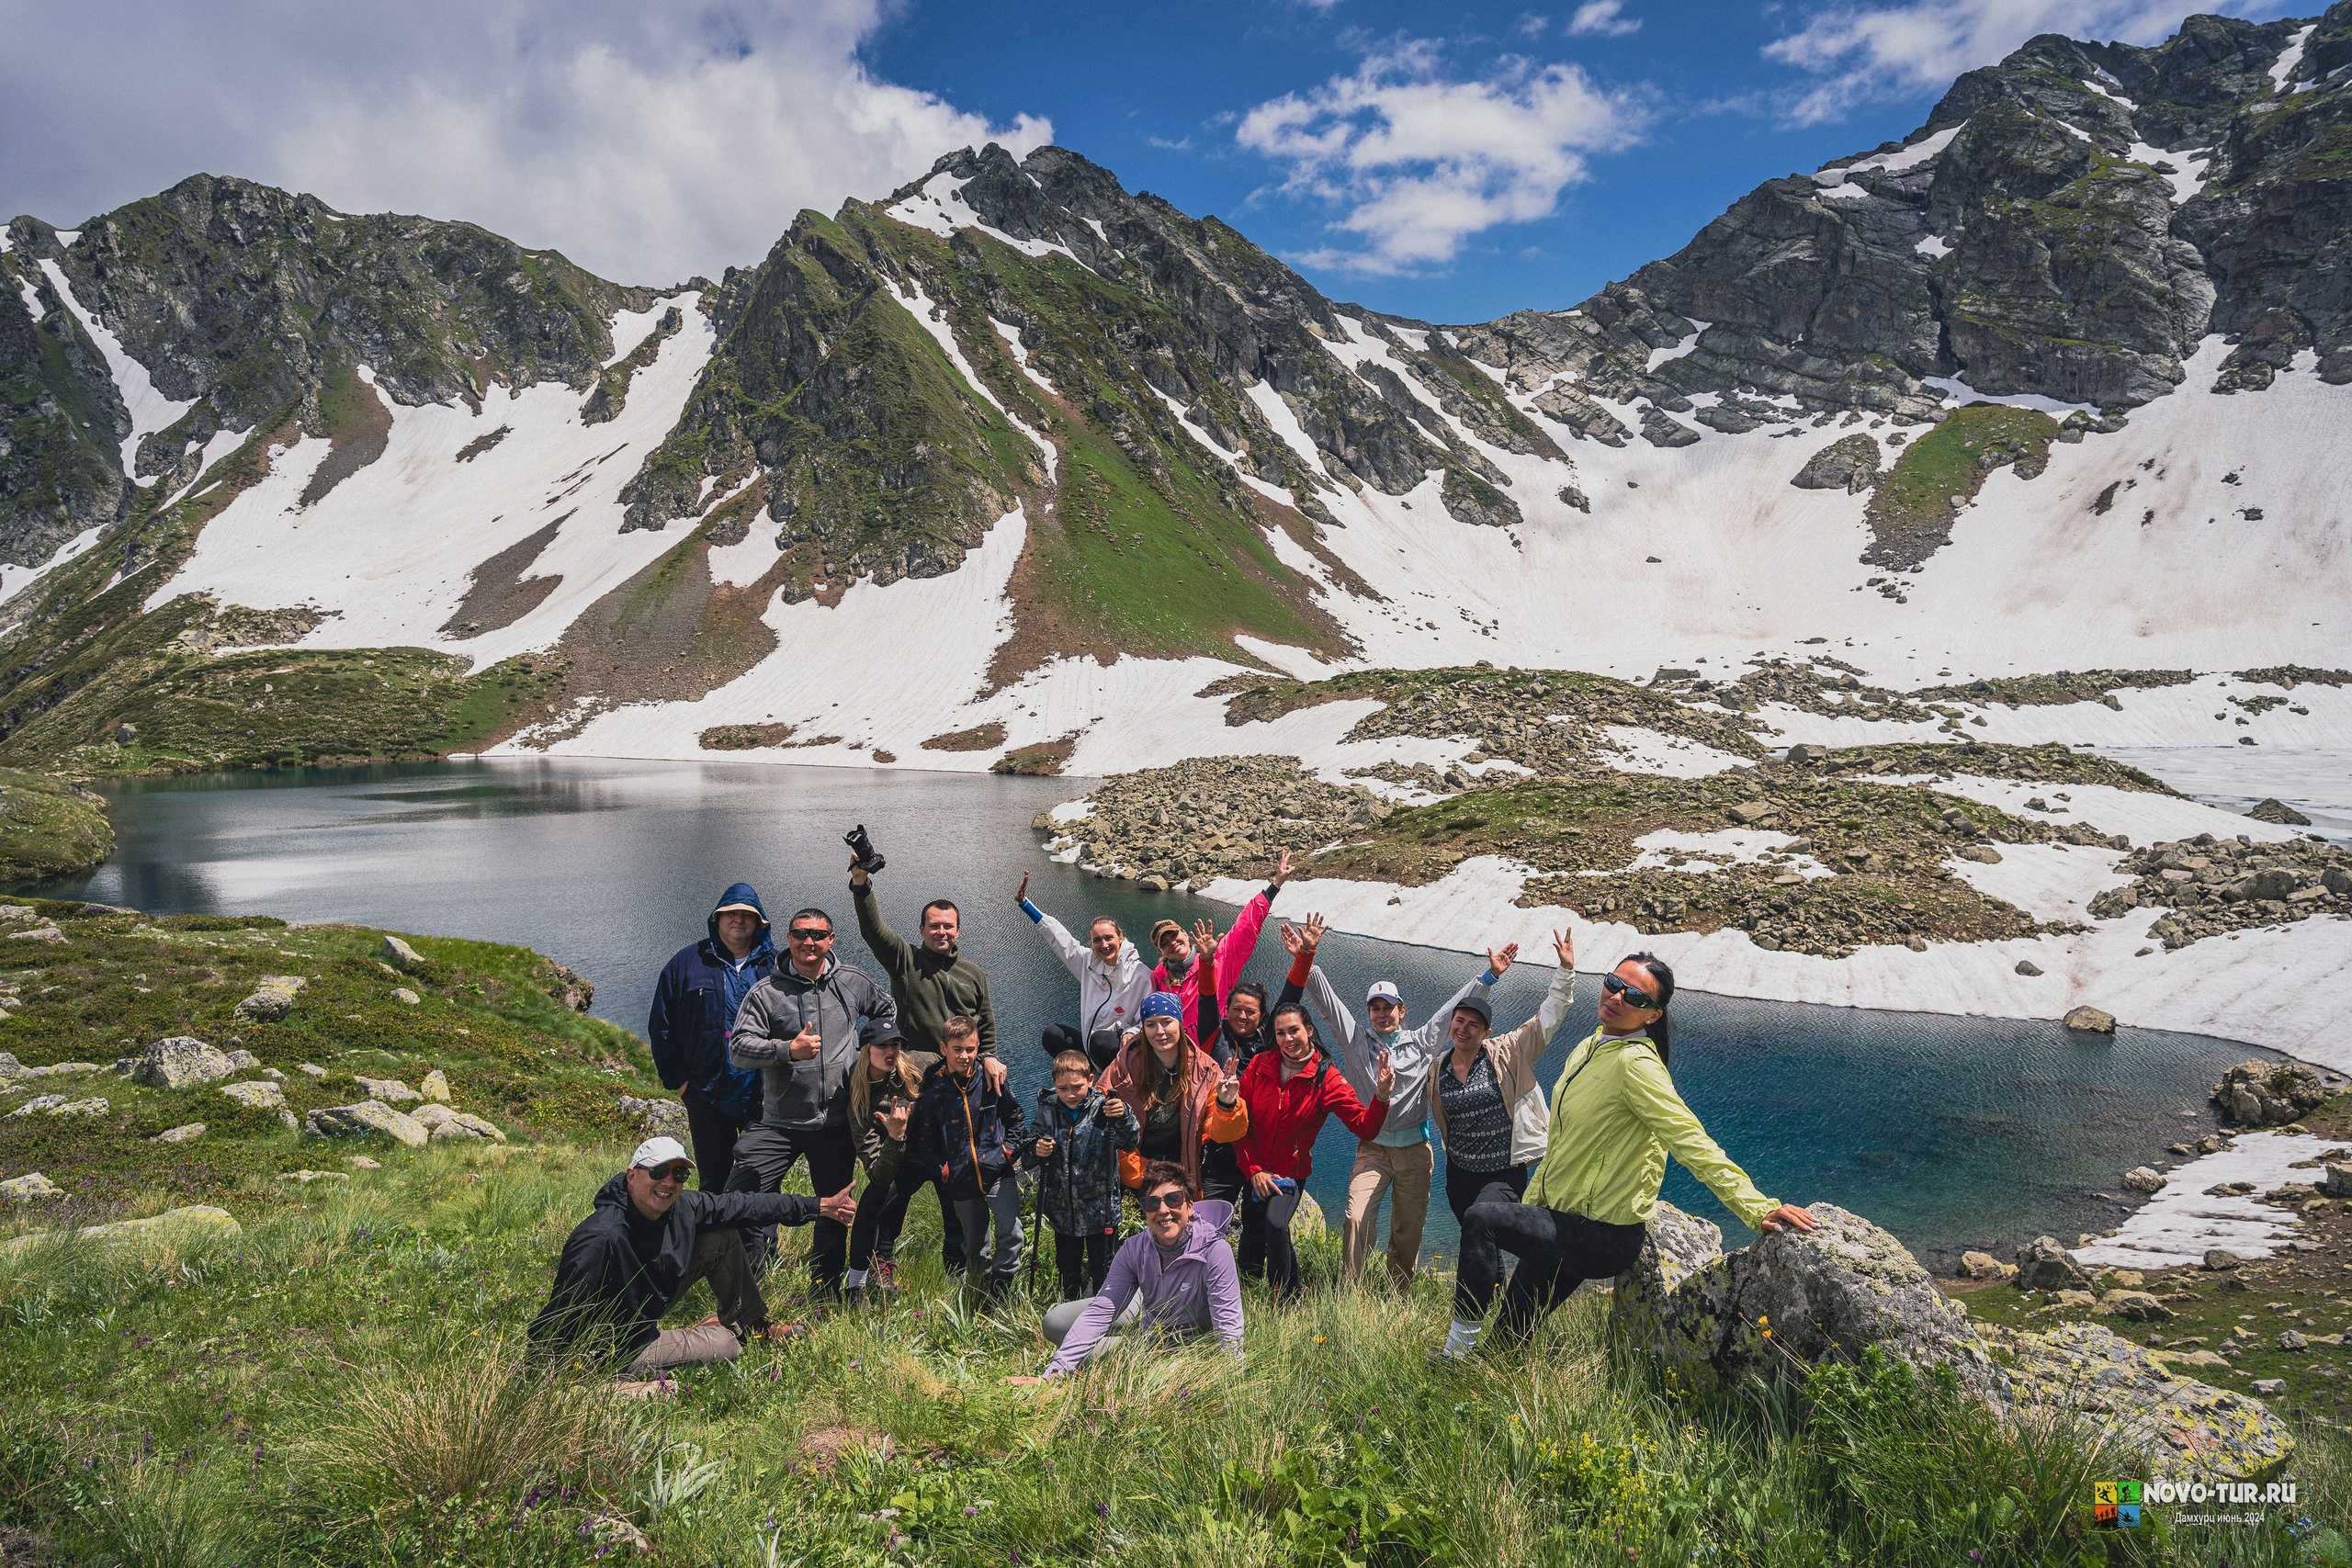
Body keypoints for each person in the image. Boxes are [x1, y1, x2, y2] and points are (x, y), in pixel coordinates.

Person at [1441, 953, 1818, 1359]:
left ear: (1653, 1016)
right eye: (1613, 983)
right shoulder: (1590, 1046)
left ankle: (1454, 1352)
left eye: (1636, 997)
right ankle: (1475, 1375)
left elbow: (1692, 1140)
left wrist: (1755, 1207)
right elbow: (1565, 1143)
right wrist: (1533, 1208)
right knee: (1506, 1342)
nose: (1618, 996)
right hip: (1561, 1218)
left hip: (1602, 1234)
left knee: (1482, 1220)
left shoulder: (1638, 1066)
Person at [1290, 920, 1512, 1292]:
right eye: (1374, 1007)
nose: (1381, 1013)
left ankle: (1398, 1294)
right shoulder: (1356, 1041)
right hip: (1373, 1149)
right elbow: (1328, 1005)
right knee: (1357, 1218)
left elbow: (1454, 1011)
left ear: (1401, 1009)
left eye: (1388, 1007)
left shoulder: (1424, 1041)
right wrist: (1306, 955)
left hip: (1413, 1151)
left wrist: (1489, 976)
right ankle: (1352, 1296)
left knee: (1407, 1230)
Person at [527, 1136, 854, 1377]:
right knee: (727, 1347)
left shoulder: (681, 1206)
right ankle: (715, 1332)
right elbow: (560, 1315)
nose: (668, 1183)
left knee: (723, 1234)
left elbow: (746, 1206)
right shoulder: (601, 1237)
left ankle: (753, 1324)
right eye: (658, 1172)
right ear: (632, 1175)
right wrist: (546, 1376)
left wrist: (820, 1206)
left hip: (648, 1303)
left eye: (679, 1175)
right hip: (616, 1345)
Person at [724, 905, 894, 1289]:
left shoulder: (851, 981)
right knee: (742, 1196)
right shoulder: (766, 992)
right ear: (788, 939)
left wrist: (867, 1057)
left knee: (835, 1208)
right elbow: (739, 1050)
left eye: (818, 935)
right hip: (779, 1123)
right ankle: (748, 1285)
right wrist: (787, 1050)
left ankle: (825, 1288)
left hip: (836, 1122)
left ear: (831, 939)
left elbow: (887, 1011)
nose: (809, 942)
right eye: (801, 934)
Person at [851, 857, 1004, 1269]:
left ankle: (959, 1269)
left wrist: (988, 1057)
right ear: (921, 930)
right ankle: (880, 1263)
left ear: (958, 930)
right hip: (912, 1091)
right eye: (933, 926)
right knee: (900, 1182)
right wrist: (861, 884)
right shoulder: (906, 962)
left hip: (958, 1098)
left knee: (954, 1186)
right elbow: (874, 931)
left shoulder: (973, 973)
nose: (941, 932)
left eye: (948, 926)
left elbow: (985, 1024)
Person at [1233, 1001, 1394, 1303]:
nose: (1287, 1039)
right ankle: (1246, 1299)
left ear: (1309, 1030)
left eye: (1294, 1030)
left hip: (1291, 1174)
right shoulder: (1259, 1066)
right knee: (1253, 1237)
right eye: (1279, 1033)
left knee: (1276, 1223)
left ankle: (1283, 1306)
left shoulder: (1326, 1078)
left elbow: (1364, 1127)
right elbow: (1239, 1126)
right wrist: (1254, 1171)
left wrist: (1381, 1098)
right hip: (1254, 1170)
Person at [1025, 1159, 1244, 1379]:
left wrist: (1231, 1381)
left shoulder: (1215, 1250)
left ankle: (1116, 1348)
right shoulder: (1133, 1248)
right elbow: (1102, 1311)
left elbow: (1227, 1322)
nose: (1164, 1210)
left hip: (1178, 1349)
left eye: (1173, 1199)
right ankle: (1076, 1355)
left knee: (1116, 1364)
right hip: (1144, 1309)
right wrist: (1053, 1373)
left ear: (1189, 1206)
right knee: (1053, 1322)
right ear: (1145, 1212)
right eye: (1152, 1203)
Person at [1430, 931, 1578, 1231]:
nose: (1463, 1029)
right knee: (1476, 1239)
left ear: (1486, 1033)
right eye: (1459, 1021)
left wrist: (1565, 972)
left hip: (1503, 1173)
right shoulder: (1438, 1068)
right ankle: (1493, 1279)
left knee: (1481, 1222)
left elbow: (1548, 1018)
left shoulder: (1510, 1051)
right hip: (1459, 1172)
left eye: (1474, 1025)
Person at [1097, 920, 1246, 1199]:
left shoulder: (1204, 1068)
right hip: (1137, 1170)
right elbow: (1101, 1126)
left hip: (1183, 1162)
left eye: (1167, 1022)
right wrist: (1150, 1174)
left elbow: (1223, 1133)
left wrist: (1227, 1103)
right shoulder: (1124, 1066)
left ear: (1179, 1023)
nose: (1160, 1031)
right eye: (1151, 1024)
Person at [645, 884, 775, 1196]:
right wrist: (680, 1083)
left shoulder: (776, 966)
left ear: (759, 923)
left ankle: (761, 1247)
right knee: (713, 1182)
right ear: (717, 919)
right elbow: (662, 1027)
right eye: (731, 914)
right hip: (706, 1094)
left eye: (748, 915)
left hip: (763, 1095)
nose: (739, 921)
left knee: (761, 1182)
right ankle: (715, 1245)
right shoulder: (687, 963)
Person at [903, 1015, 1030, 1301]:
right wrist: (943, 1169)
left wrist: (1008, 1152)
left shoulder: (990, 1078)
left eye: (971, 1049)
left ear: (978, 1048)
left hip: (997, 1170)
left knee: (1011, 1231)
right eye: (958, 1049)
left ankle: (1002, 1290)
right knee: (974, 1245)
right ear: (943, 1047)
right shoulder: (933, 1091)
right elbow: (926, 1139)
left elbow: (1015, 1117)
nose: (965, 1056)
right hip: (960, 1178)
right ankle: (978, 1289)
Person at [1199, 914, 1321, 1202]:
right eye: (1236, 1009)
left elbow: (1292, 994)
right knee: (1209, 1215)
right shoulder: (1214, 1036)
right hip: (1224, 1140)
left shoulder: (1271, 1039)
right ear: (1226, 1009)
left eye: (1250, 1012)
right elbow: (1206, 997)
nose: (1242, 1016)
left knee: (1260, 1228)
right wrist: (1207, 960)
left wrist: (1306, 954)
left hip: (1261, 1144)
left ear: (1262, 1016)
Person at [1025, 1050, 1141, 1302]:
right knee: (1068, 1269)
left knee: (1105, 1269)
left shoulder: (1106, 1107)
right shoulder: (1047, 1110)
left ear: (1090, 1080)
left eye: (1076, 1087)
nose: (1070, 1094)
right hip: (1062, 1213)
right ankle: (1070, 1310)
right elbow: (1031, 1147)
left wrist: (1124, 1116)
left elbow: (1131, 1141)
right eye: (1063, 1088)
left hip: (1102, 1211)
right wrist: (1037, 1149)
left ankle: (1105, 1314)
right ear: (1054, 1084)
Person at [1147, 849, 1294, 1046]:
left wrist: (1275, 885)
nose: (1172, 943)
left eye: (1174, 936)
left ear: (1184, 933)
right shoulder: (1159, 976)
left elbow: (1245, 927)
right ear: (1160, 952)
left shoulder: (1220, 958)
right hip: (1179, 1051)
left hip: (1219, 1047)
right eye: (1164, 943)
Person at [1016, 871, 1149, 1070]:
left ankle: (1113, 1086)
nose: (1104, 945)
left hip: (1120, 1050)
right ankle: (1083, 1079)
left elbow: (1147, 1020)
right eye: (1097, 940)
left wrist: (1129, 1032)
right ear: (1091, 943)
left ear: (1121, 937)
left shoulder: (1141, 974)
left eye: (1109, 938)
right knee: (1053, 1034)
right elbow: (1060, 940)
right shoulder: (1089, 964)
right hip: (1091, 1048)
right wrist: (1025, 904)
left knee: (1101, 1040)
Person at [842, 1021, 933, 1297]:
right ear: (866, 1050)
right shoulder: (859, 1100)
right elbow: (878, 1173)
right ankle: (857, 1285)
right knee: (875, 1198)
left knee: (959, 1207)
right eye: (882, 1046)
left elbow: (958, 1055)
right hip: (904, 1159)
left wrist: (987, 1059)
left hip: (938, 1151)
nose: (890, 1052)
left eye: (895, 1045)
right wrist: (895, 1137)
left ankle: (965, 1277)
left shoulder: (916, 1063)